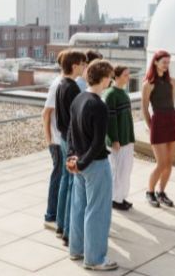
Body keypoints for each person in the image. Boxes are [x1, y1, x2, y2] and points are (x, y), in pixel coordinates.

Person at [66, 60, 118, 271]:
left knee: (78, 208)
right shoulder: (99, 105)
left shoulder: (78, 99)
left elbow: (70, 132)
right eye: (110, 78)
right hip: (94, 164)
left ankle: (76, 250)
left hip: (79, 162)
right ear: (104, 79)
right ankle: (95, 259)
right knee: (98, 211)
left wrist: (72, 158)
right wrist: (83, 162)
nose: (110, 81)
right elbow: (98, 142)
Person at [141, 50, 175, 207]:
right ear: (155, 62)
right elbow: (145, 108)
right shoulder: (148, 84)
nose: (166, 65)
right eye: (164, 62)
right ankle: (149, 192)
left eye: (168, 62)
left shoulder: (173, 82)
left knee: (169, 162)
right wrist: (150, 125)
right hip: (158, 121)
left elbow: (171, 102)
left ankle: (161, 192)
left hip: (172, 120)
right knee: (161, 163)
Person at [54, 50, 87, 244]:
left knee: (65, 182)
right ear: (74, 66)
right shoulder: (73, 87)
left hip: (64, 138)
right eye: (83, 64)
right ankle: (67, 230)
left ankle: (60, 225)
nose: (84, 68)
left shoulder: (61, 84)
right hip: (71, 140)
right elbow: (76, 119)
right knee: (72, 184)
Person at [41, 51, 70, 229]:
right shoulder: (57, 85)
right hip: (57, 141)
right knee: (58, 176)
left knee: (61, 176)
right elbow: (46, 113)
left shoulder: (63, 83)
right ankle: (51, 215)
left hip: (61, 140)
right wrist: (49, 139)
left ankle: (57, 213)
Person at [103, 65, 135, 211]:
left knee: (126, 170)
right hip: (118, 141)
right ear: (116, 77)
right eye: (125, 75)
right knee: (118, 171)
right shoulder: (111, 94)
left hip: (127, 139)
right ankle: (115, 199)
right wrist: (114, 139)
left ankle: (121, 197)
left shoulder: (123, 92)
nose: (128, 78)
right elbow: (110, 120)